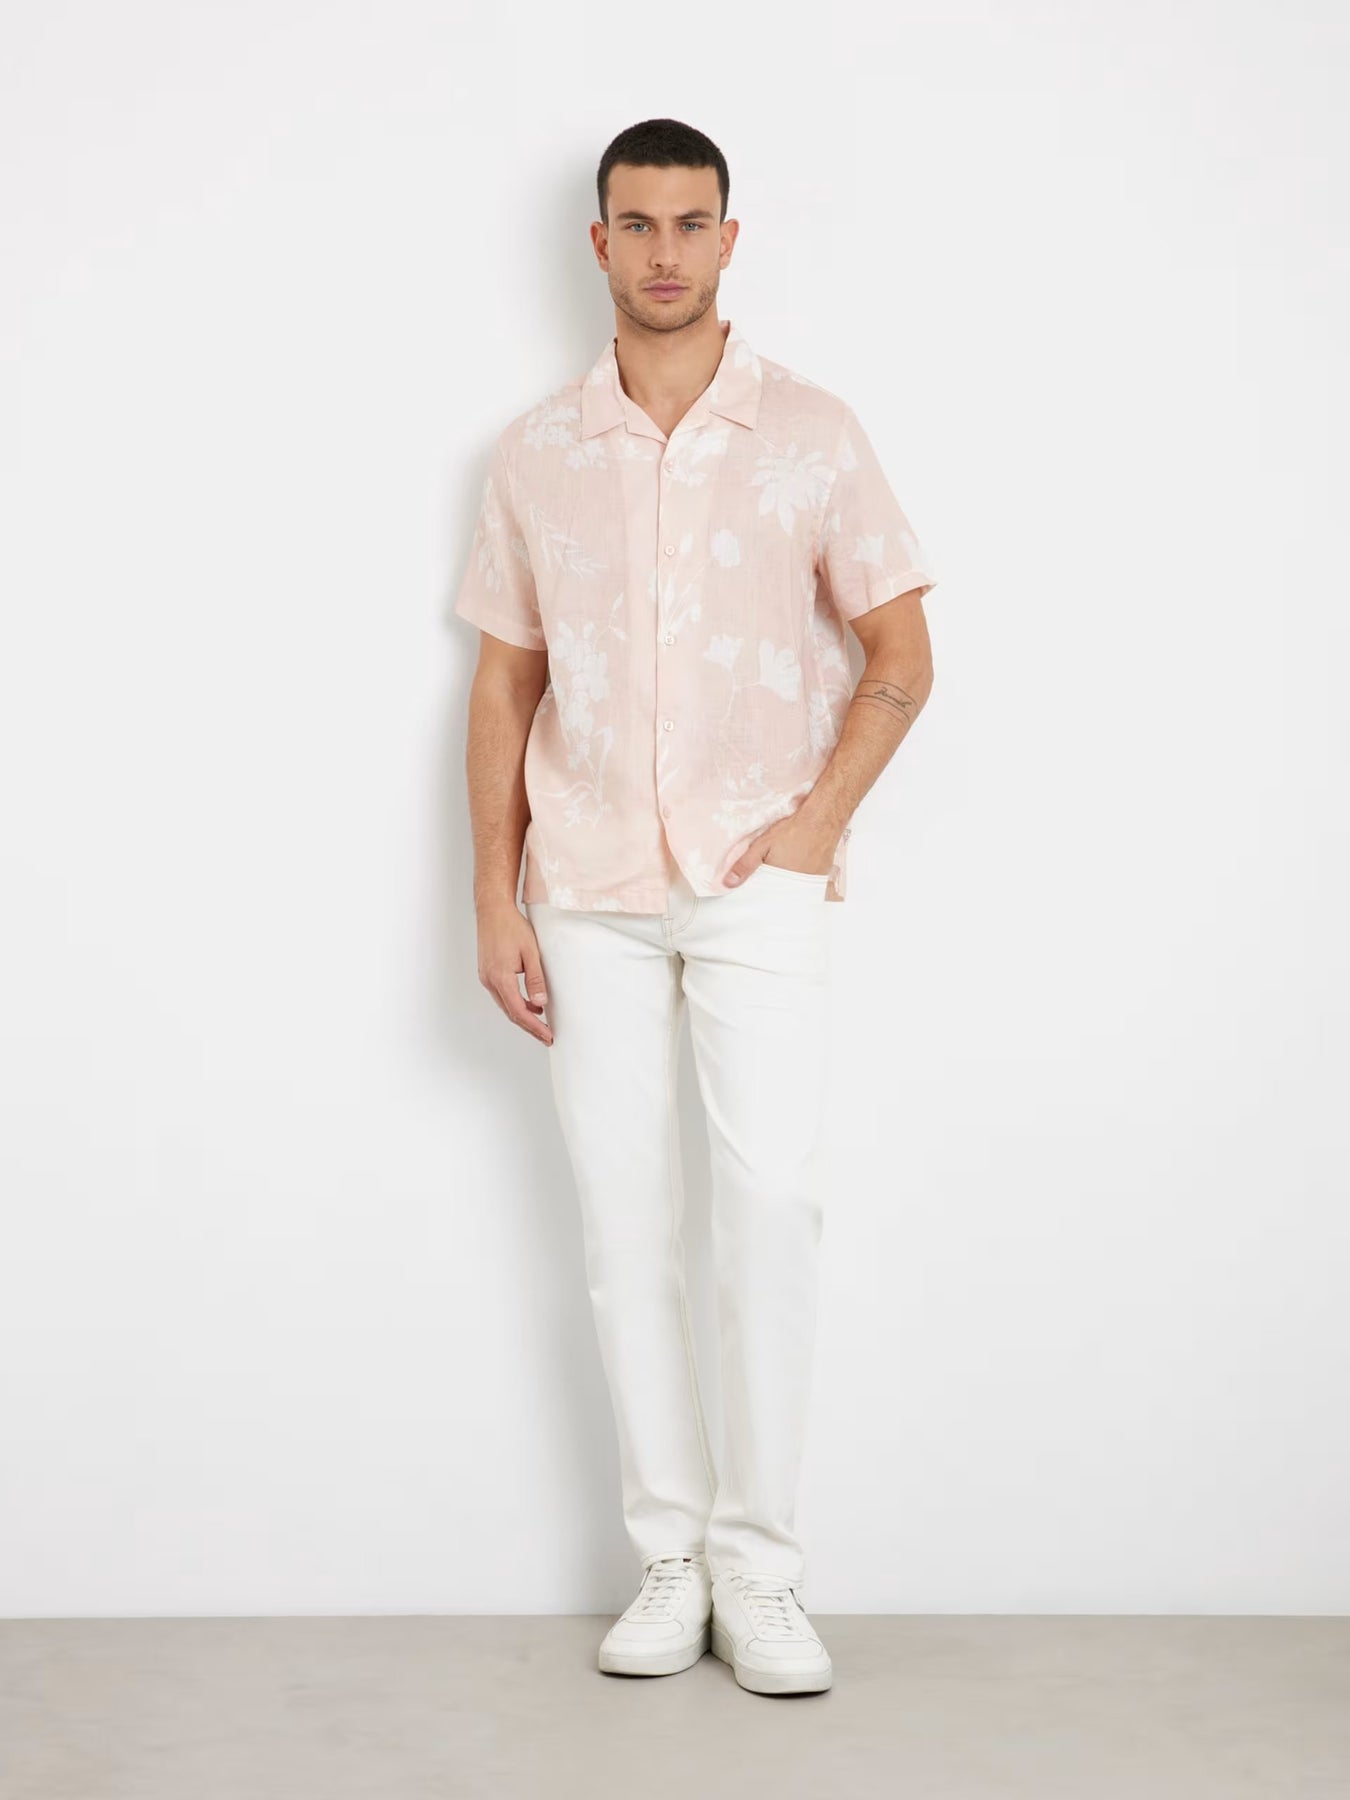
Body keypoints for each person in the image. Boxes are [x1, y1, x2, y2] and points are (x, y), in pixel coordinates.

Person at [451, 117, 939, 1697]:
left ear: (731, 238)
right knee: (622, 1221)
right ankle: (668, 1554)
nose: (663, 251)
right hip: (584, 887)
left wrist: (810, 830)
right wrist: (492, 896)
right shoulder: (535, 452)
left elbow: (901, 653)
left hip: (755, 881)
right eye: (636, 223)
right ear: (596, 242)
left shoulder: (811, 432)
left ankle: (761, 1567)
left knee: (770, 1207)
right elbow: (504, 682)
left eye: (689, 222)